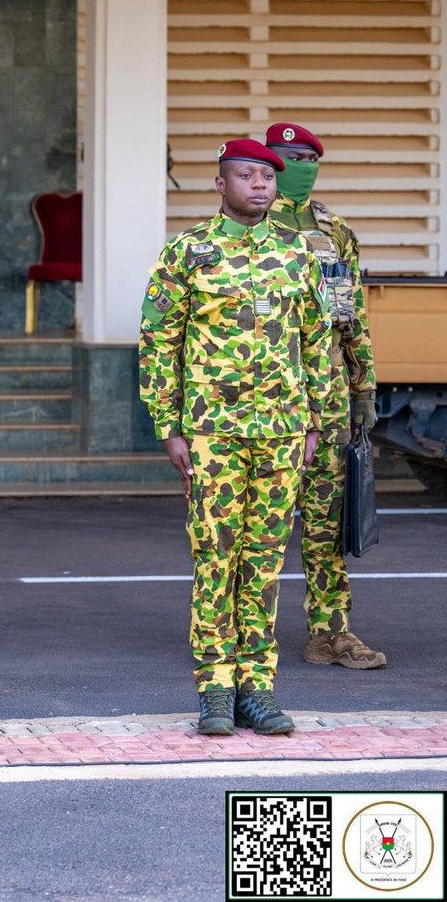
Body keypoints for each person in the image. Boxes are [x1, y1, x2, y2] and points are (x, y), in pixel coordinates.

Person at [139, 138, 342, 738]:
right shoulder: (188, 253)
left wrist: (316, 421)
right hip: (211, 432)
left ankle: (259, 688)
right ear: (220, 184)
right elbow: (158, 342)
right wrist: (168, 425)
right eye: (246, 175)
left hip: (281, 430)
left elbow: (317, 344)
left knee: (264, 563)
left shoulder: (297, 255)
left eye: (267, 177)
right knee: (215, 558)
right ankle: (215, 692)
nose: (259, 185)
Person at [263, 122, 386, 670]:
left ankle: (329, 633)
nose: (298, 165)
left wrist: (363, 388)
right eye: (286, 156)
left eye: (306, 157)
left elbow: (350, 315)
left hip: (328, 396)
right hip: (260, 396)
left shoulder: (334, 232)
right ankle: (243, 639)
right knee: (255, 523)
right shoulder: (244, 225)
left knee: (324, 522)